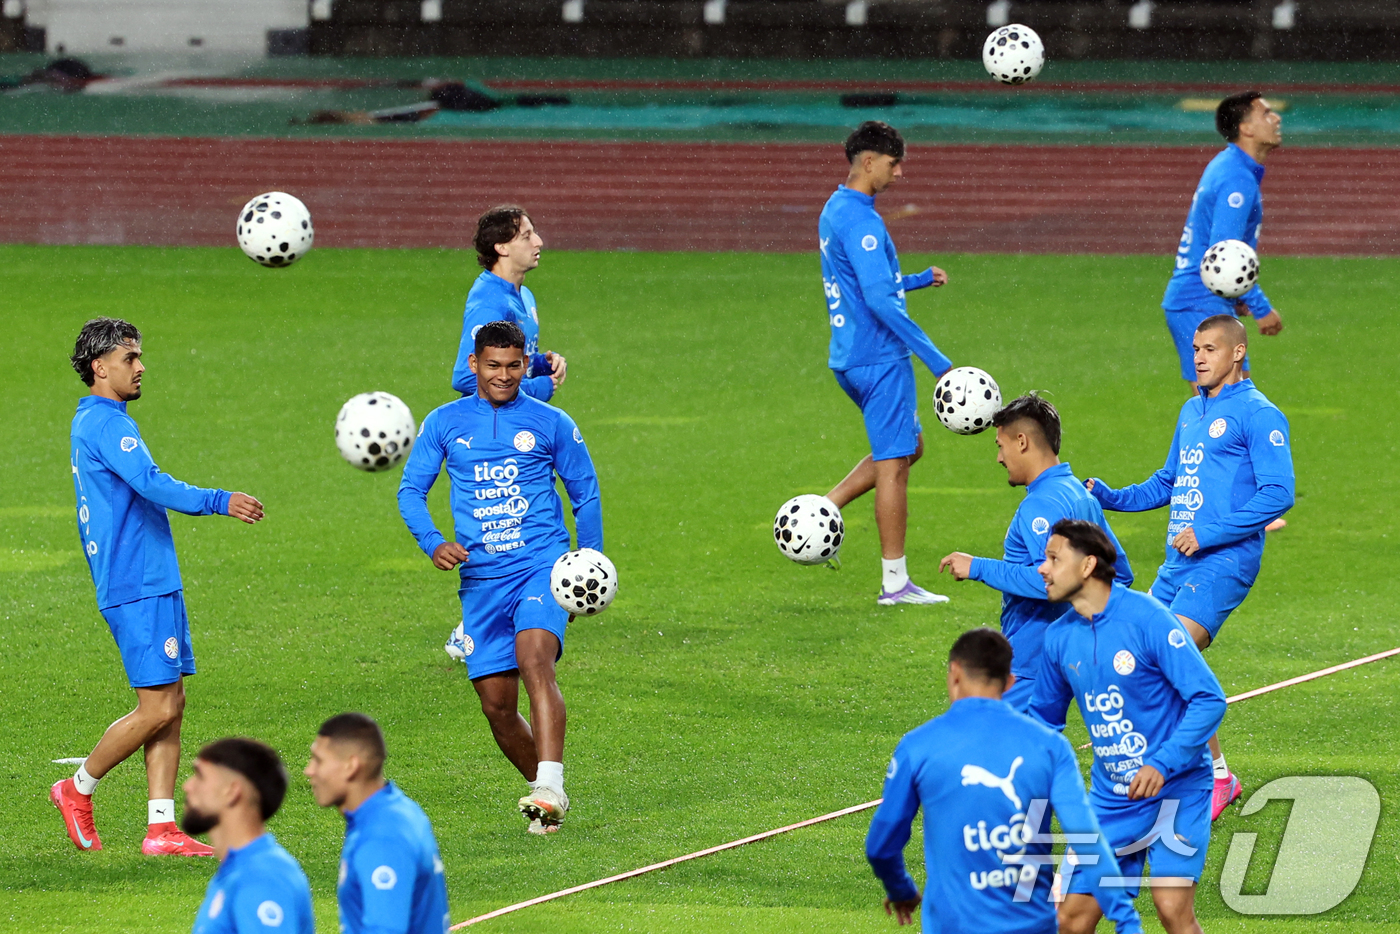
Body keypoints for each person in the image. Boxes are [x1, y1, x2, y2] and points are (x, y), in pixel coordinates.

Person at [53, 318, 265, 856]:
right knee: (157, 708)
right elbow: (151, 483)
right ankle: (77, 788)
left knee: (171, 698)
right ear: (100, 368)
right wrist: (221, 499)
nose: (141, 366)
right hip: (134, 579)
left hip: (149, 574)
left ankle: (161, 828)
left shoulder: (103, 421)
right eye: (130, 358)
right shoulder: (106, 424)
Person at [398, 320, 602, 834]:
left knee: (535, 658)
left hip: (542, 565)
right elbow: (410, 491)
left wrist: (589, 562)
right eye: (493, 365)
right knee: (496, 708)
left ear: (524, 364)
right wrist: (434, 542)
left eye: (514, 366)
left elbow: (585, 492)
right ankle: (547, 799)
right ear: (474, 365)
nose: (504, 376)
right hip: (481, 580)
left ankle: (550, 784)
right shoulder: (445, 422)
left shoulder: (551, 422)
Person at [1085, 314, 1293, 818]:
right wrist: (1109, 496)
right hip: (1177, 564)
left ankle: (1209, 778)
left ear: (1237, 353)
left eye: (1209, 349)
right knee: (1137, 661)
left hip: (1223, 563)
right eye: (1195, 348)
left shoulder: (1260, 414)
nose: (1197, 357)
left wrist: (1211, 532)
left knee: (1164, 656)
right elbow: (1167, 482)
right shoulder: (1190, 411)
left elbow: (1279, 492)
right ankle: (1209, 773)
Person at [865, 628, 1142, 934]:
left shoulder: (918, 746)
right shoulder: (1050, 746)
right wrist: (1126, 921)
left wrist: (902, 890)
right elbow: (1086, 837)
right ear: (1010, 683)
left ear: (954, 673)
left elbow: (881, 846)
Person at [1030, 520, 1227, 934]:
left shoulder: (1149, 619)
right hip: (1111, 800)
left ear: (1087, 566)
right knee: (1069, 919)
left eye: (1053, 558)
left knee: (1172, 908)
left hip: (1178, 788)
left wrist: (1163, 762)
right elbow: (1044, 723)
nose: (1042, 568)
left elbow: (1208, 699)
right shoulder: (1057, 639)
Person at [818, 120, 954, 605]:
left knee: (908, 447)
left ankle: (824, 508)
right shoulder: (863, 221)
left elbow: (858, 283)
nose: (900, 174)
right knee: (895, 465)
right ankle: (895, 583)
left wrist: (915, 279)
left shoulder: (835, 209)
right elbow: (877, 299)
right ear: (870, 160)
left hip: (849, 357)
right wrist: (939, 362)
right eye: (895, 164)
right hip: (879, 358)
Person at [938, 394, 1133, 712]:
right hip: (1068, 652)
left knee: (990, 742)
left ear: (1022, 442)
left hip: (1030, 659)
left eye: (1000, 446)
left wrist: (977, 567)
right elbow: (1120, 573)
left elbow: (1052, 580)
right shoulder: (1079, 495)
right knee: (1037, 749)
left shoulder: (1040, 504)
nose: (999, 458)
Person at [1163, 91, 1283, 391]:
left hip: (1198, 300)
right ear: (1247, 128)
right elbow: (1223, 256)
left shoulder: (1230, 165)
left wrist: (1238, 296)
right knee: (1229, 416)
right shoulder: (1237, 177)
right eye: (1266, 113)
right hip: (1200, 301)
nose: (1276, 118)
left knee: (1228, 416)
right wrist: (1260, 306)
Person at [305, 713, 450, 933]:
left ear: (351, 766)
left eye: (319, 760)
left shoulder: (382, 836)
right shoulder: (396, 809)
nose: (309, 771)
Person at [185, 738, 314, 934]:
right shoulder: (238, 869)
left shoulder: (262, 878)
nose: (187, 786)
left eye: (200, 776)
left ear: (232, 791)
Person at [450, 205, 566, 401]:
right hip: (487, 425)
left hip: (511, 420)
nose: (538, 242)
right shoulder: (491, 303)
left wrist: (540, 364)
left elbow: (502, 361)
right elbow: (466, 376)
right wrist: (531, 390)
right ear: (501, 247)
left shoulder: (525, 295)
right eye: (526, 236)